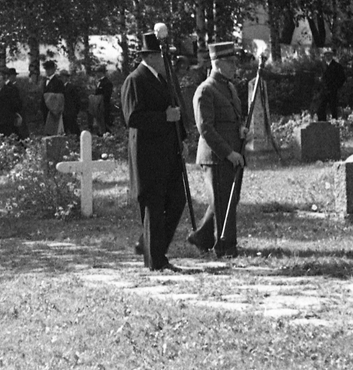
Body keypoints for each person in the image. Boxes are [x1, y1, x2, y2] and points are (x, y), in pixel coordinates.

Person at [121, 31, 186, 272]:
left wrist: (182, 137)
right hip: (148, 155)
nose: (165, 60)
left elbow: (175, 109)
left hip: (168, 152)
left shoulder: (162, 78)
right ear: (149, 56)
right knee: (154, 206)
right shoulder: (135, 80)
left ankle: (152, 245)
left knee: (177, 199)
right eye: (160, 55)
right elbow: (133, 117)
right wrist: (164, 118)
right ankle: (155, 260)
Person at [188, 42, 247, 258]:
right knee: (223, 202)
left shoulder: (229, 87)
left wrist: (241, 129)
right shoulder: (205, 90)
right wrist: (228, 153)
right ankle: (226, 246)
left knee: (228, 199)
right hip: (215, 157)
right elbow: (206, 129)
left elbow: (234, 116)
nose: (234, 66)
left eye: (234, 62)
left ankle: (202, 236)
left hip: (233, 154)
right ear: (217, 63)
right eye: (230, 62)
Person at [0, 68, 24, 139]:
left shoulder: (9, 90)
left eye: (0, 81)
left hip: (7, 119)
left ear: (3, 81)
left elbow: (15, 104)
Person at [316, 50, 346, 121]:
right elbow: (318, 77)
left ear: (332, 55)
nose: (327, 56)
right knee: (321, 108)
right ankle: (322, 124)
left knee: (333, 109)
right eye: (326, 55)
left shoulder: (337, 66)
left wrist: (336, 86)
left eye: (329, 55)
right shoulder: (321, 66)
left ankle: (334, 124)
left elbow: (342, 78)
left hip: (333, 91)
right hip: (324, 91)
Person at [41, 60, 65, 136]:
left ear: (53, 69)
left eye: (49, 69)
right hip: (45, 109)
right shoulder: (44, 81)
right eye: (46, 69)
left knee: (54, 129)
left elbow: (60, 97)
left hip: (53, 110)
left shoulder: (58, 82)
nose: (47, 71)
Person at [91, 65, 114, 134]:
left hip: (104, 107)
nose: (96, 74)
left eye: (97, 72)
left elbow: (107, 95)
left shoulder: (107, 83)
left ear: (101, 72)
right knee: (99, 124)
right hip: (98, 107)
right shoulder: (98, 82)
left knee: (105, 124)